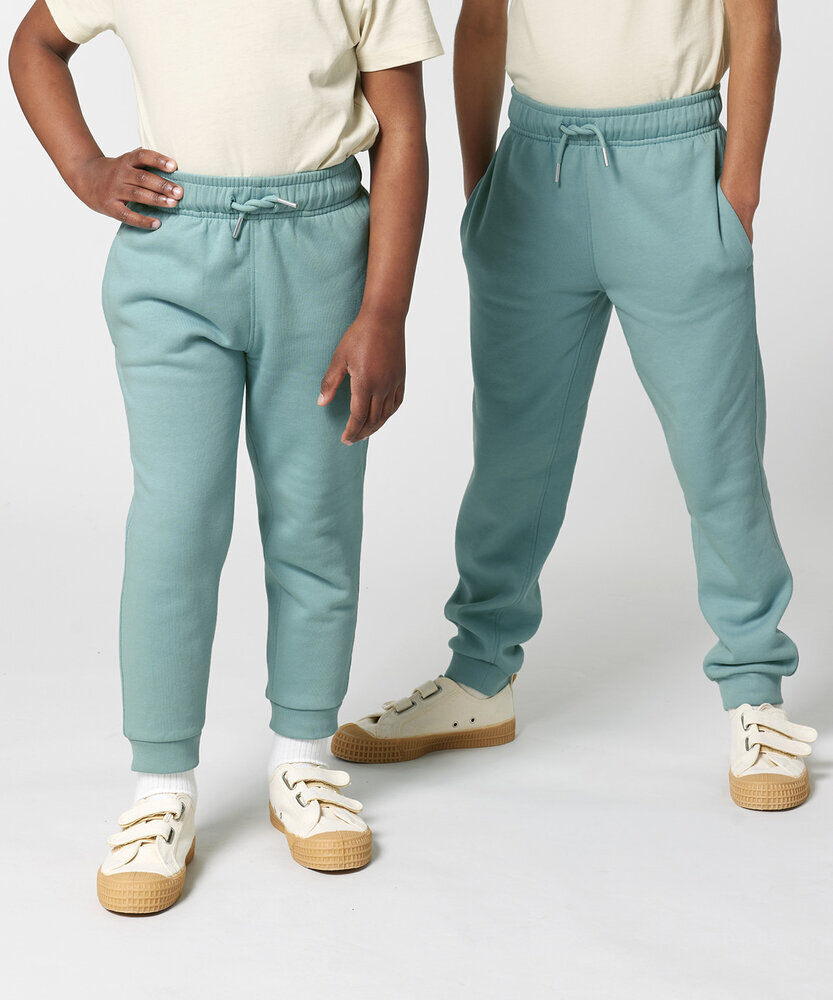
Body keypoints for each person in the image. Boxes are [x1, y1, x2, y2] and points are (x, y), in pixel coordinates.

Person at [9, 0, 442, 912]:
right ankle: (160, 786)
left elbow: (402, 129)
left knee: (315, 517)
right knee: (176, 523)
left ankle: (303, 760)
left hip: (326, 258)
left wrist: (385, 310)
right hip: (172, 255)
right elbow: (36, 44)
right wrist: (85, 168)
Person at [332, 0, 819, 811]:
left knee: (717, 453)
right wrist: (482, 187)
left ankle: (754, 692)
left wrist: (737, 195)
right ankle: (479, 678)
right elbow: (482, 22)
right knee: (510, 455)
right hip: (533, 172)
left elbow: (753, 21)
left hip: (675, 169)